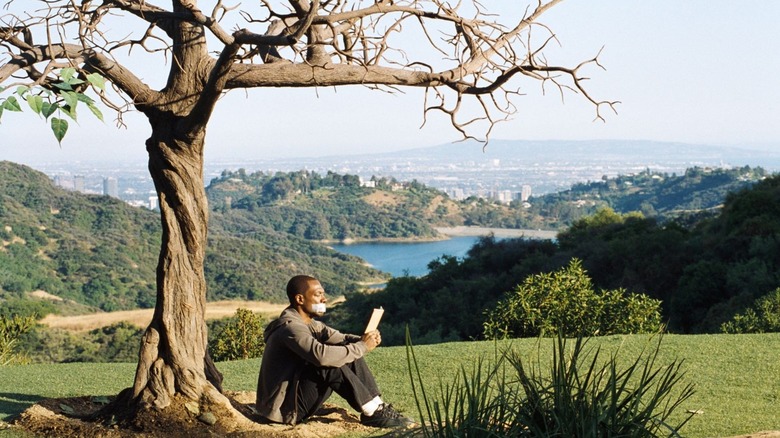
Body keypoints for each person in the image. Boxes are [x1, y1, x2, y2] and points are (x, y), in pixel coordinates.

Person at [255, 274, 414, 428]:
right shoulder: (291, 328)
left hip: (295, 398)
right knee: (328, 363)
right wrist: (363, 346)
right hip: (283, 409)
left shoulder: (310, 324)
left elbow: (340, 338)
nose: (324, 299)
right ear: (300, 299)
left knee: (347, 351)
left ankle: (377, 407)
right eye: (318, 295)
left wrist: (363, 339)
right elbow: (321, 356)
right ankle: (372, 411)